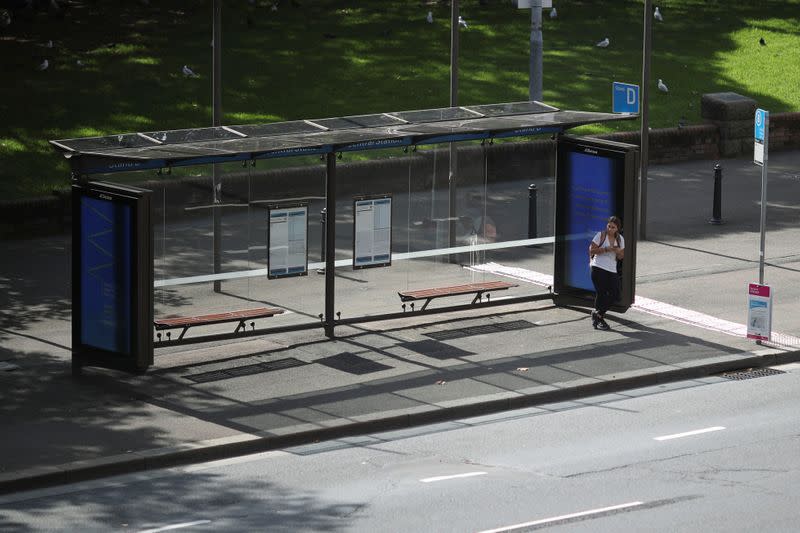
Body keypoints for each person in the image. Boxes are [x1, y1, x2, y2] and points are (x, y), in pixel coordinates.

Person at [588, 216, 624, 330]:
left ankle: (597, 314)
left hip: (611, 269)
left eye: (613, 227)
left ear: (617, 228)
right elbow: (591, 250)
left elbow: (621, 256)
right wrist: (606, 249)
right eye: (609, 226)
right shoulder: (601, 235)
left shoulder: (620, 239)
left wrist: (618, 252)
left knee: (616, 294)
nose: (610, 229)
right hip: (598, 267)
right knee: (601, 293)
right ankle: (599, 318)